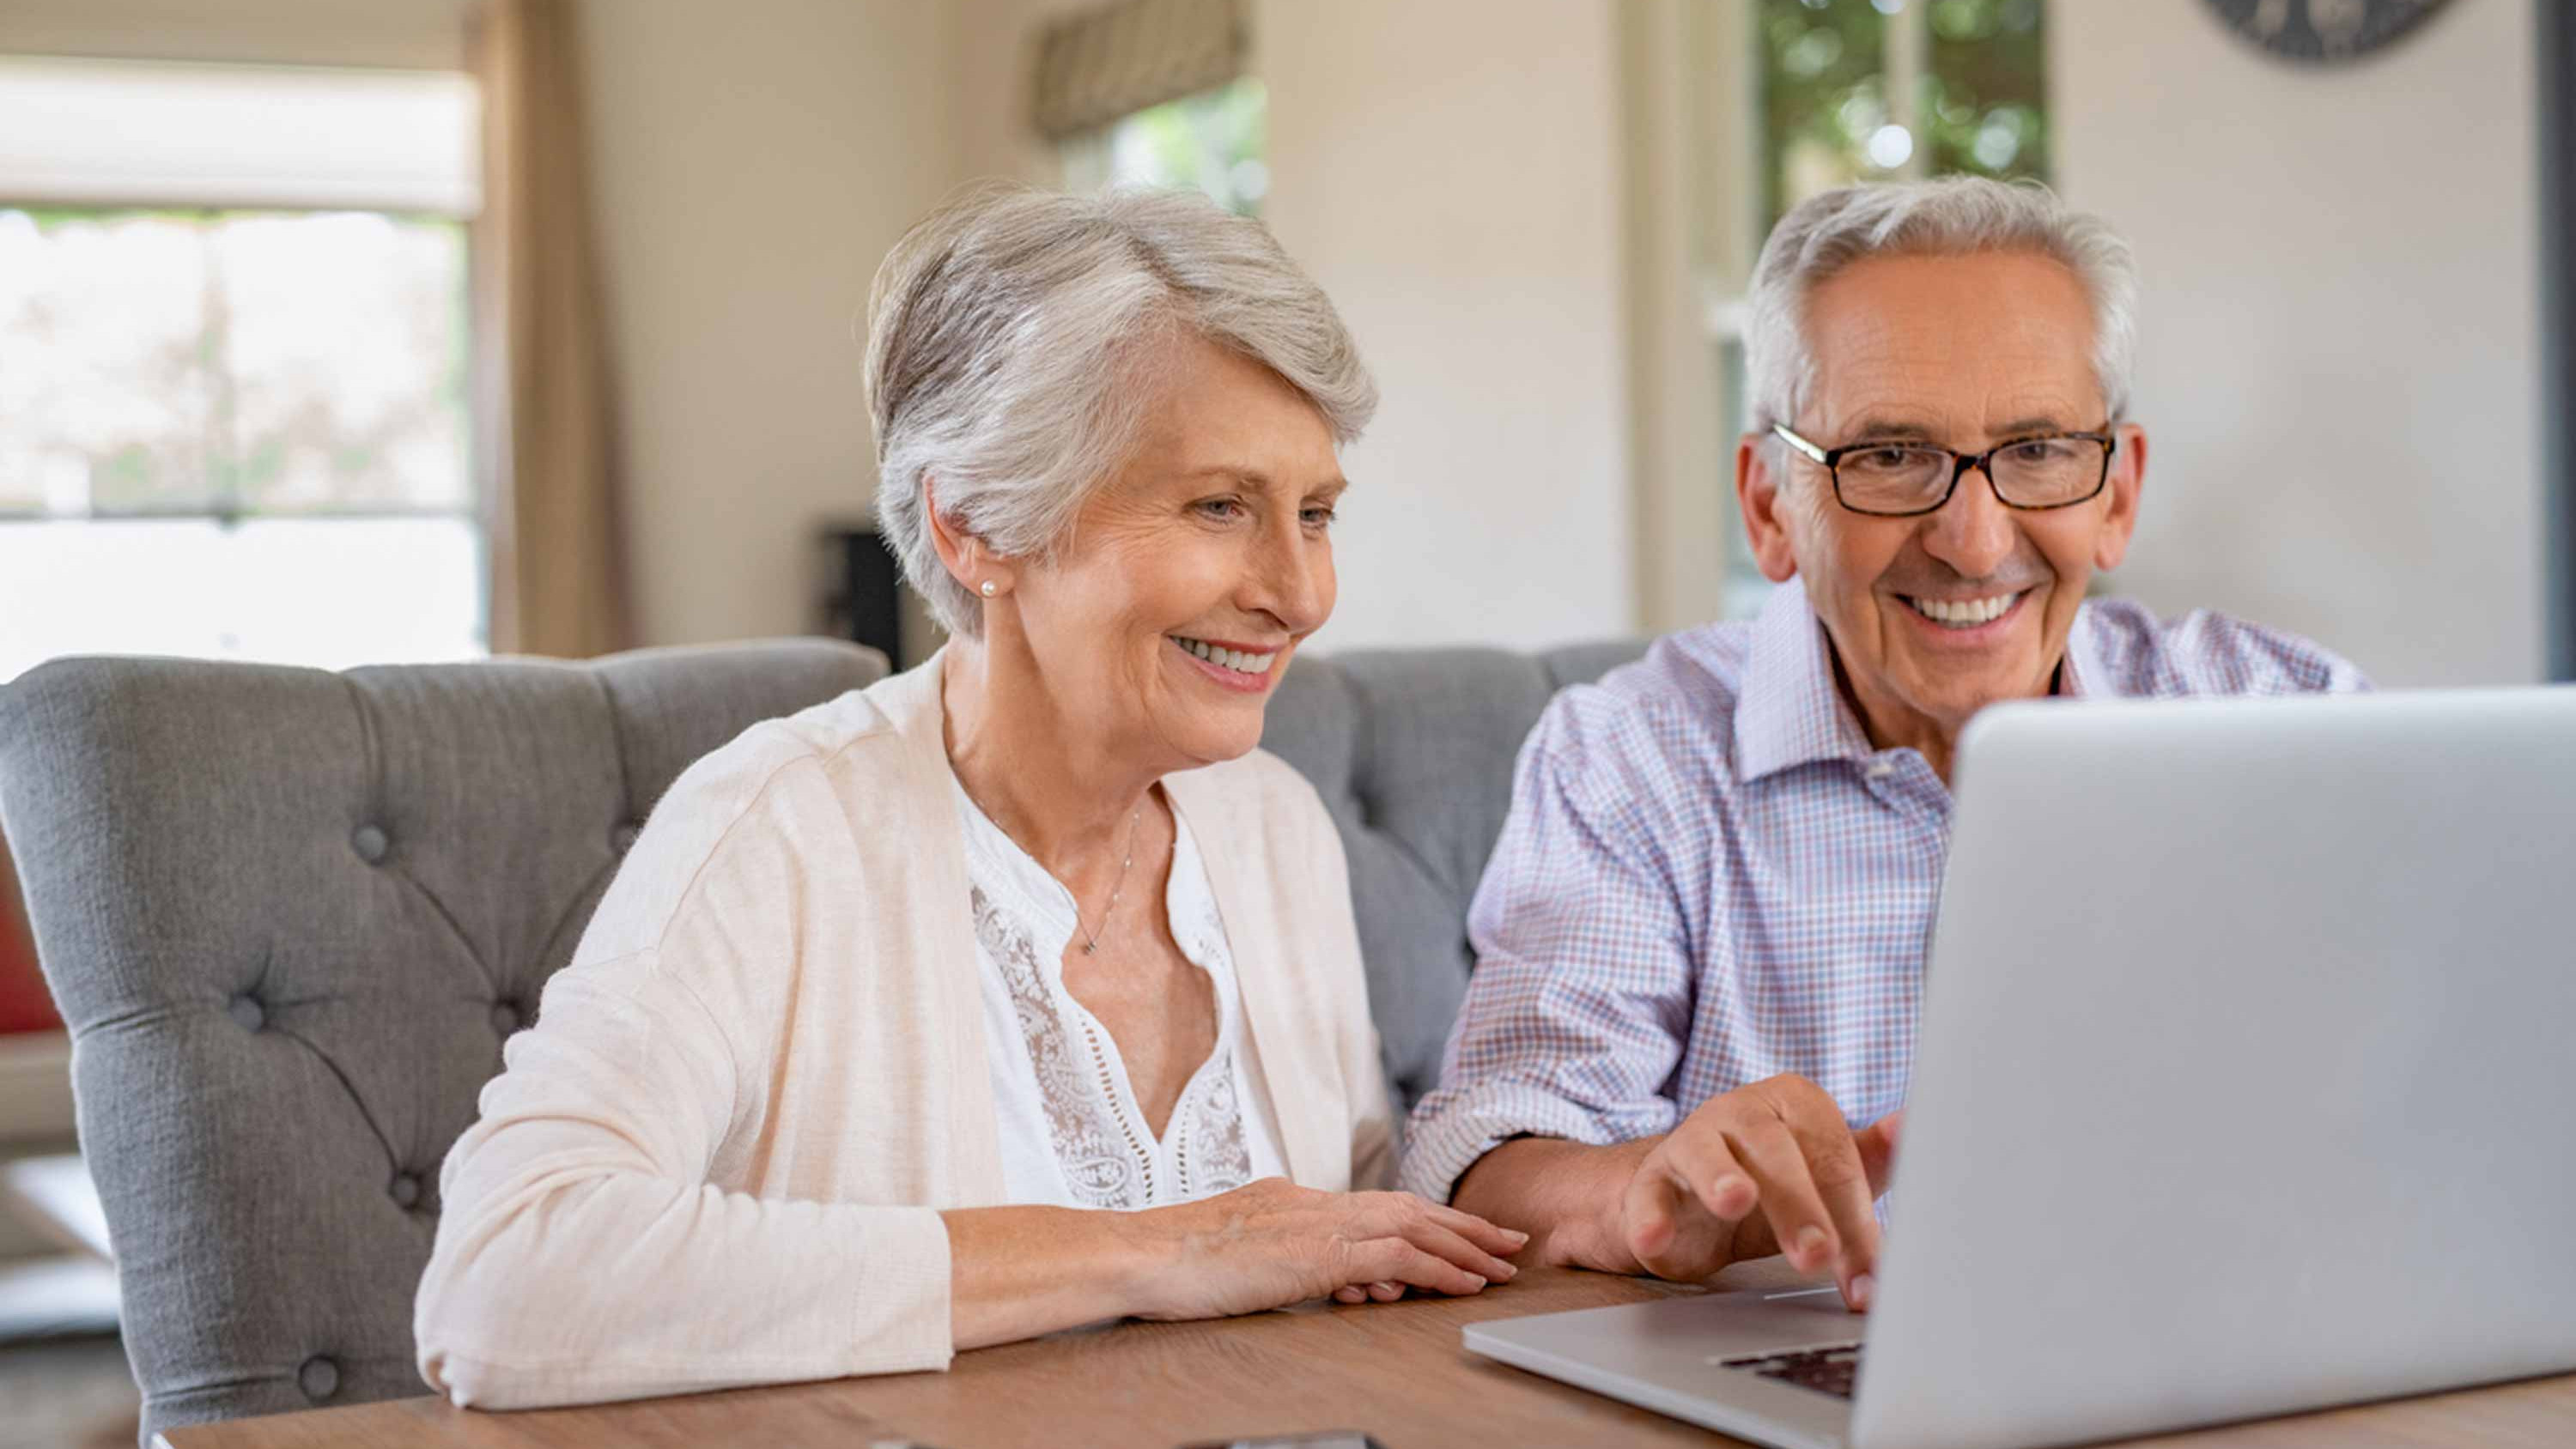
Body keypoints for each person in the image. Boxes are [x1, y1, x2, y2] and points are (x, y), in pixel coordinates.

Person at [415, 184, 1523, 1410]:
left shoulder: (1271, 828)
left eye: (1315, 513)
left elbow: (1335, 1236)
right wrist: (1166, 1253)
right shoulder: (778, 829)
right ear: (977, 525)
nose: (1301, 592)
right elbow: (502, 1278)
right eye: (1220, 506)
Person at [1401, 177, 2365, 1318]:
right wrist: (1640, 1199)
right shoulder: (1632, 757)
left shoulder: (2287, 715)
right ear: (1769, 506)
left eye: (2042, 449)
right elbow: (1496, 1149)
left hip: (2244, 1355)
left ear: (2117, 491)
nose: (1973, 540)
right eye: (1892, 456)